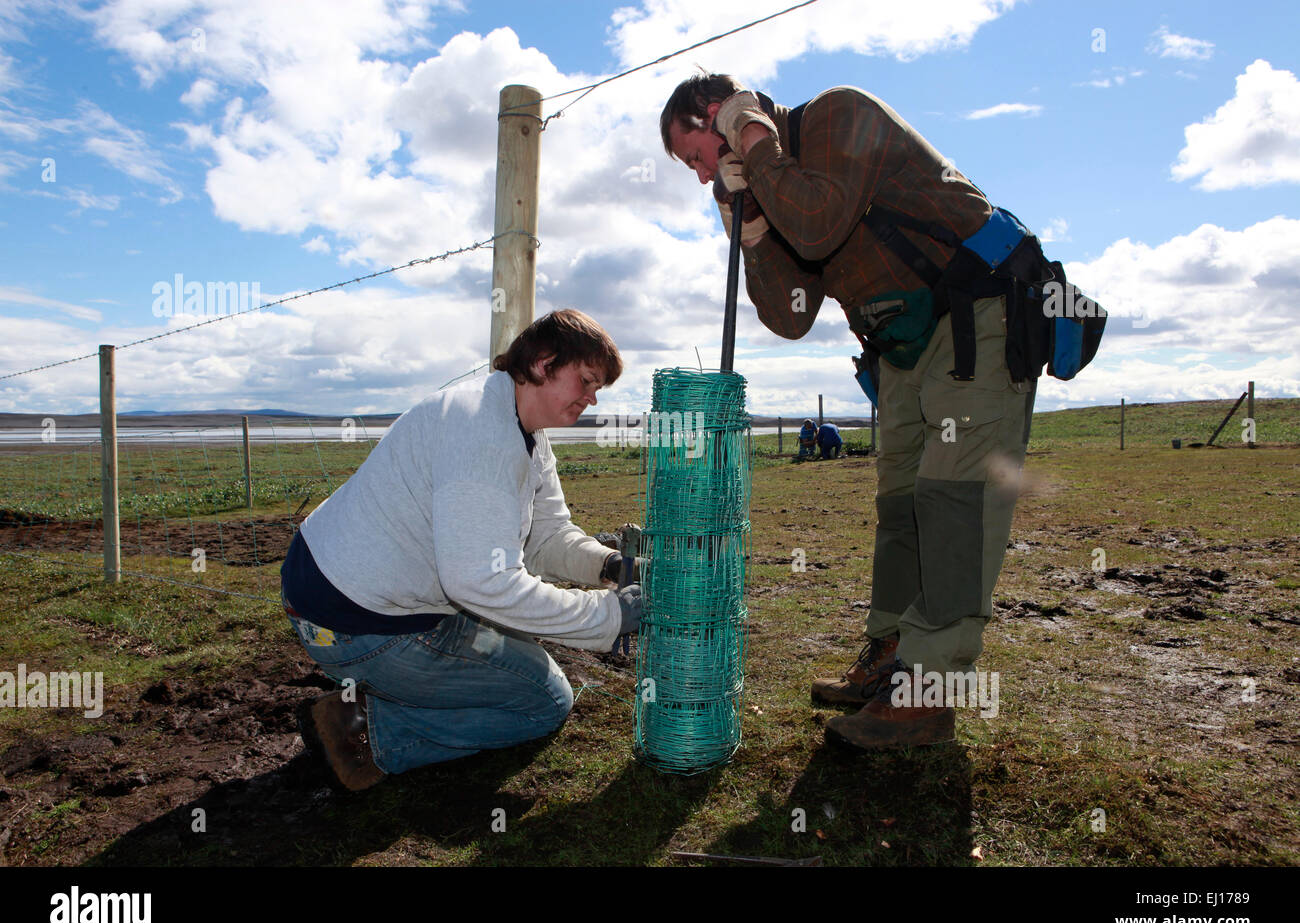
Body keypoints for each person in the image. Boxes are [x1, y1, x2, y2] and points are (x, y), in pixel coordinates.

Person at [661, 74, 1041, 749]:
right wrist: (749, 230)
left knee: (955, 499)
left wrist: (753, 138)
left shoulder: (839, 115)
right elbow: (792, 316)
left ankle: (929, 695)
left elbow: (818, 224)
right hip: (899, 344)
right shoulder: (774, 183)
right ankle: (892, 657)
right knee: (901, 505)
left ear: (714, 115)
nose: (699, 177)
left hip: (976, 314)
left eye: (693, 155)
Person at [282, 308, 642, 790]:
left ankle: (391, 692)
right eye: (586, 380)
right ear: (542, 362)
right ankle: (369, 733)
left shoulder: (523, 431)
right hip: (355, 621)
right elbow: (480, 581)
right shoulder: (482, 434)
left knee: (520, 649)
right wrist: (609, 618)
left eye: (598, 389)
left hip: (345, 590)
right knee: (545, 701)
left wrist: (608, 565)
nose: (591, 399)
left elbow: (546, 536)